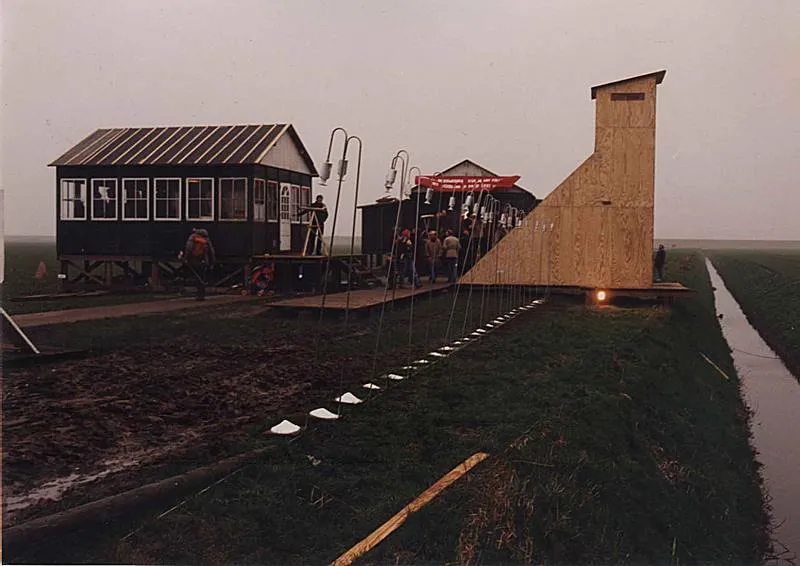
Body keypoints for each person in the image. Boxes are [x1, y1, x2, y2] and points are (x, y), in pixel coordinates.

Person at [181, 228, 216, 300]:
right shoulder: (206, 238)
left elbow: (188, 248)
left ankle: (198, 294)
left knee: (197, 277)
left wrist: (185, 258)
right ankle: (202, 295)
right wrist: (212, 261)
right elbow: (211, 251)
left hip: (194, 260)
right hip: (204, 260)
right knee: (202, 277)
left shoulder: (192, 237)